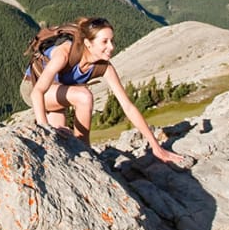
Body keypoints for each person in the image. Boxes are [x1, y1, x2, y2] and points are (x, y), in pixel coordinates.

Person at [23, 16, 187, 165]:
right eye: (105, 42)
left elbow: (128, 107)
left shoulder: (104, 67)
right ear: (88, 43)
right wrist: (44, 128)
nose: (111, 46)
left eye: (112, 41)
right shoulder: (64, 53)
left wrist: (156, 147)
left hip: (59, 95)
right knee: (83, 96)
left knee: (60, 147)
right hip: (33, 88)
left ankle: (82, 154)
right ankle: (85, 150)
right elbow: (37, 92)